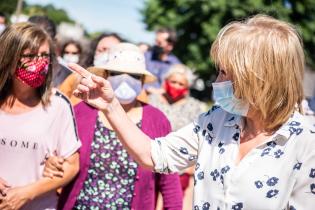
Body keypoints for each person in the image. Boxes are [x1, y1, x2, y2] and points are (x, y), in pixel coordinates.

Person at [71, 14, 315, 209]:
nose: (216, 81)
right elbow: (154, 155)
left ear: (258, 77)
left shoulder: (306, 143)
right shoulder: (216, 121)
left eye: (224, 72)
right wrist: (111, 106)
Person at [44, 43, 183, 210]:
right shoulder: (81, 112)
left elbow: (170, 184)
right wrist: (52, 162)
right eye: (117, 73)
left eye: (134, 75)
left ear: (143, 81)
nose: (125, 79)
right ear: (105, 76)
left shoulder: (157, 120)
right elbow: (54, 154)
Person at [0, 22, 81, 209]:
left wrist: (26, 194)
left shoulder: (58, 104)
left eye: (44, 55)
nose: (39, 63)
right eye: (29, 56)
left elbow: (71, 166)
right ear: (8, 57)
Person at [148, 64, 207, 209]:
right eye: (173, 82)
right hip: (150, 160)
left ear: (187, 87)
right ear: (166, 81)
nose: (176, 86)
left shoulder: (196, 107)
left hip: (179, 165)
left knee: (174, 203)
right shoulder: (151, 100)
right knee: (148, 200)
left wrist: (190, 168)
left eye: (181, 84)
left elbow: (199, 137)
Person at [58, 33, 122, 105]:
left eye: (111, 51)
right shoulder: (76, 77)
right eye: (101, 50)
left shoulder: (126, 85)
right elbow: (59, 102)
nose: (105, 55)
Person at [144, 28, 181, 93]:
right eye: (156, 41)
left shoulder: (176, 65)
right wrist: (147, 88)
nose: (155, 44)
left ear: (170, 45)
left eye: (159, 42)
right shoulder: (145, 57)